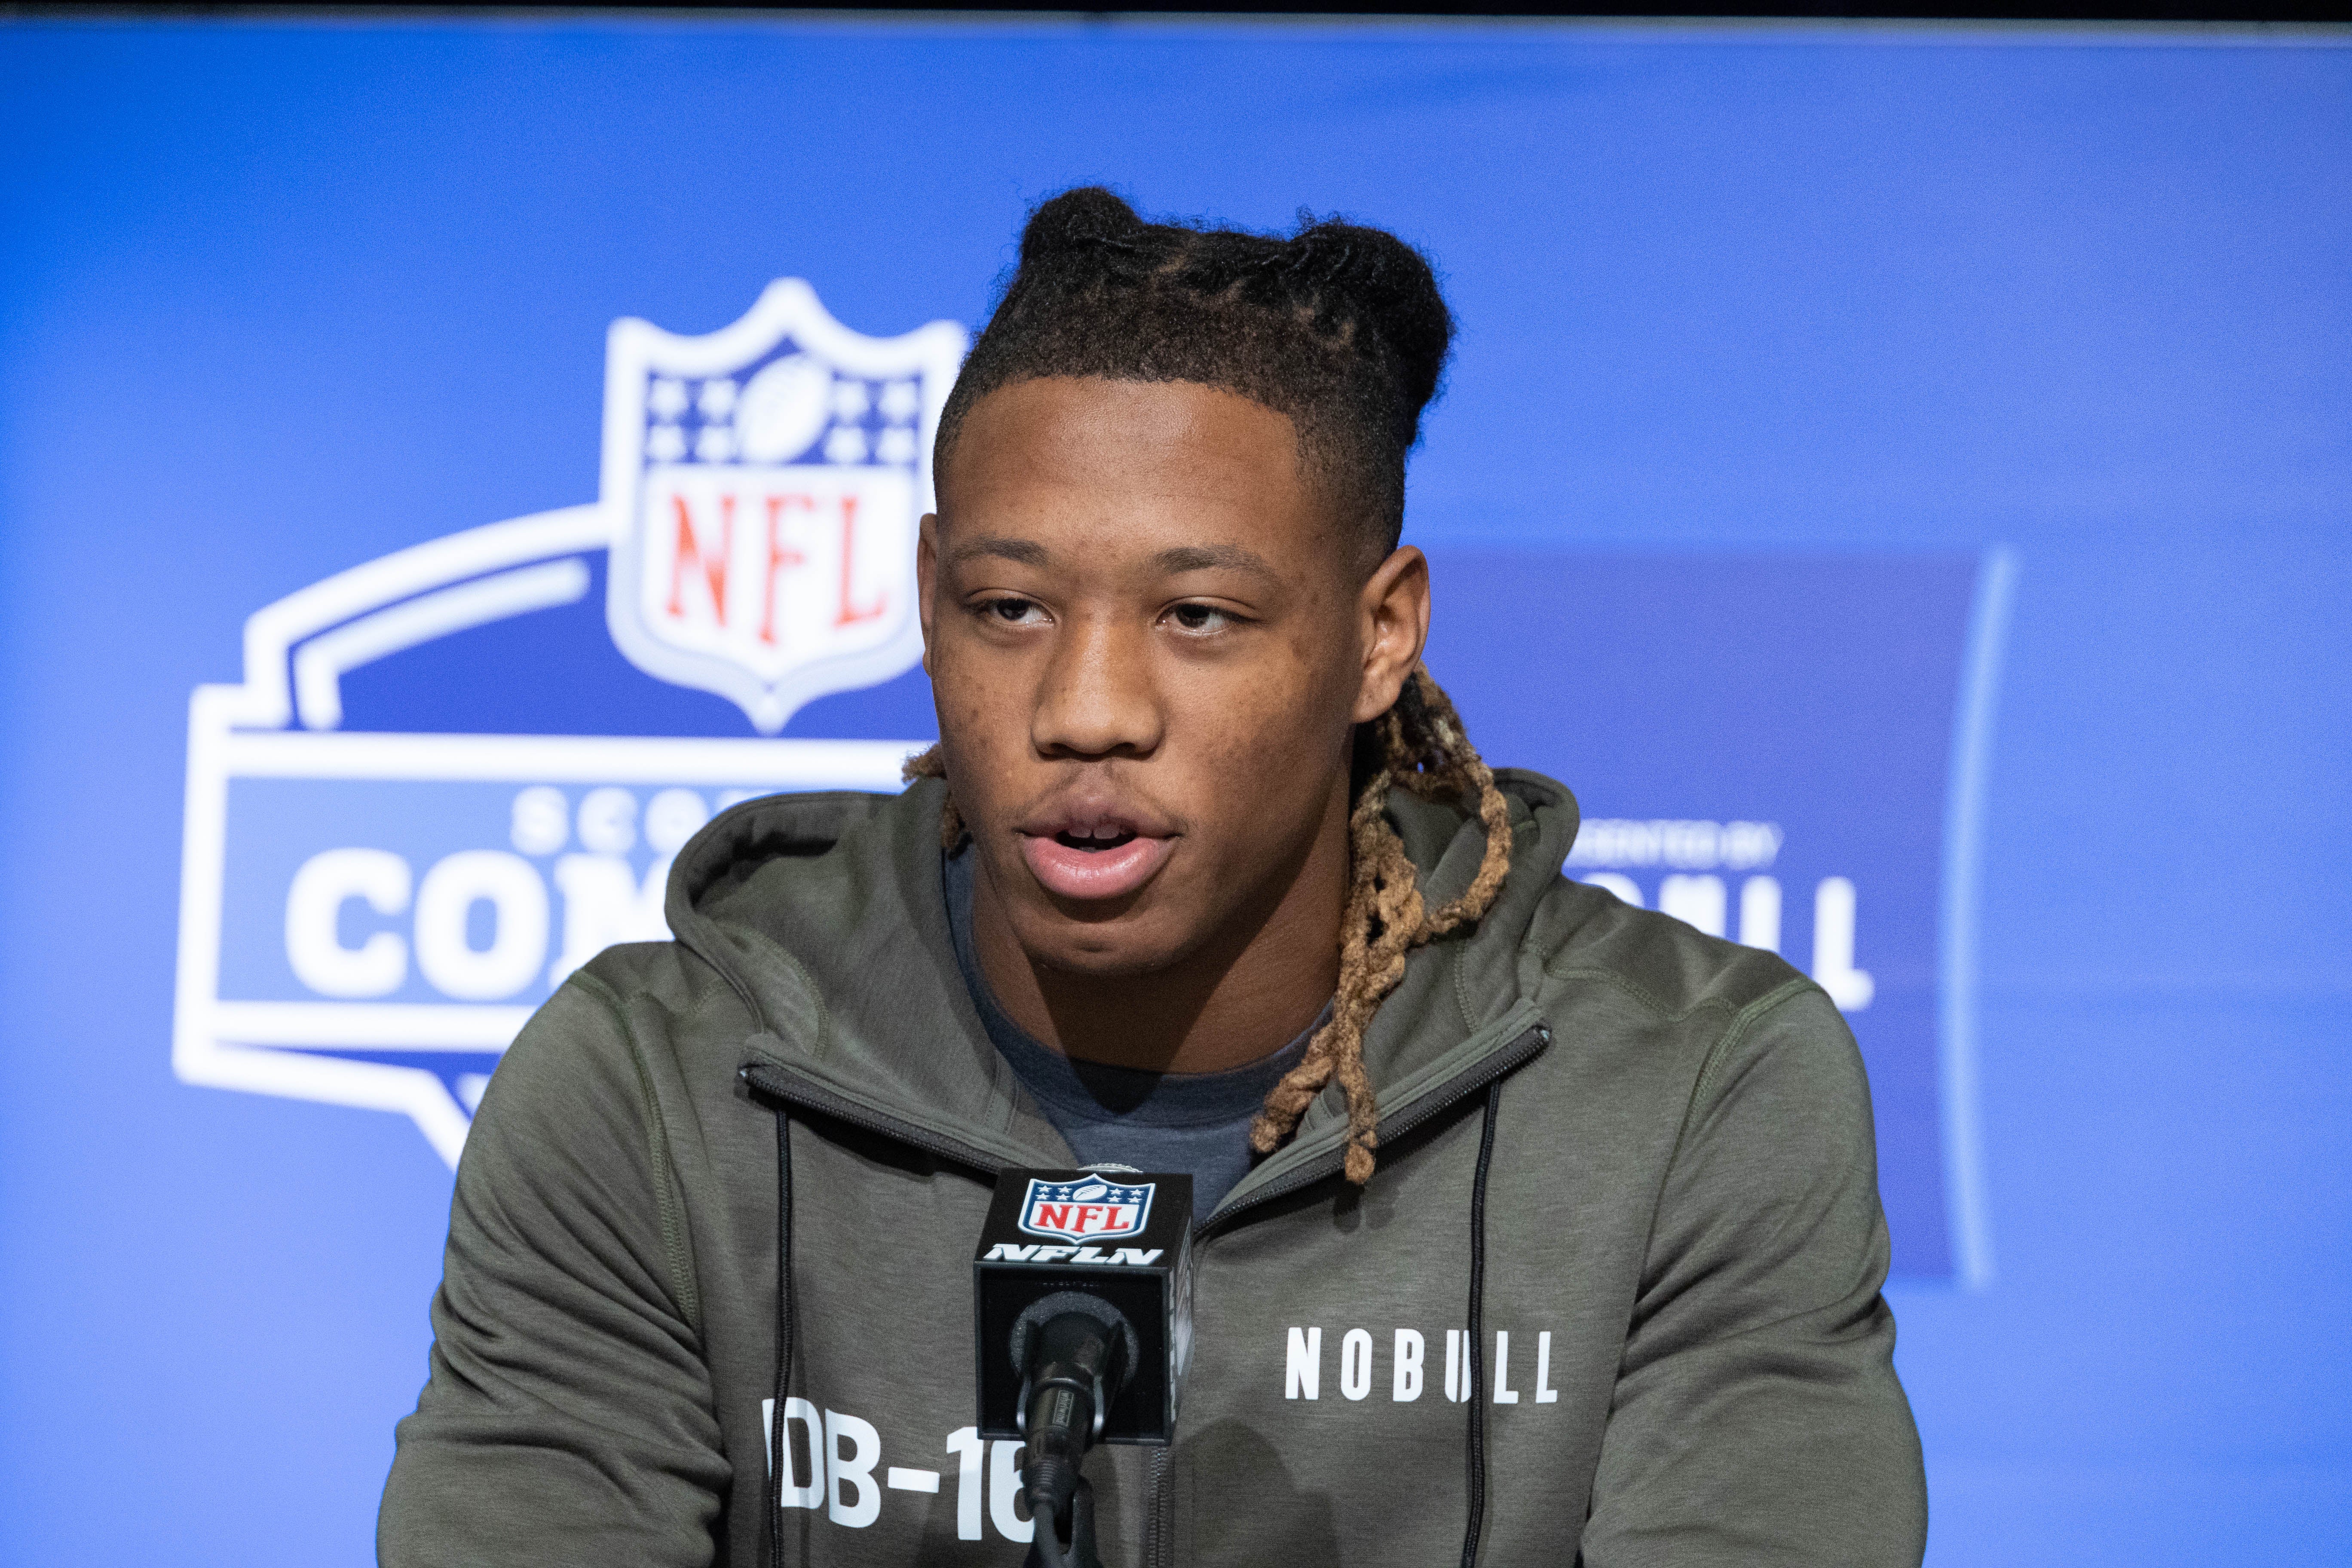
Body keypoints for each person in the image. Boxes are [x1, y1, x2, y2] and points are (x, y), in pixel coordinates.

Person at [379, 187, 1926, 1567]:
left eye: (1197, 616)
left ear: (1382, 635)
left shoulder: (1697, 1091)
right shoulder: (653, 1087)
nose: (1085, 710)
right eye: (1008, 608)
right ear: (927, 600)